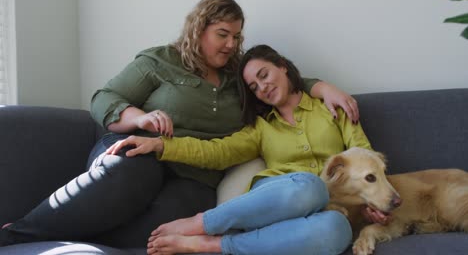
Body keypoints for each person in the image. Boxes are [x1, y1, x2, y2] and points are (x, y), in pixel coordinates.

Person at [0, 0, 360, 248]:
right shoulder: (161, 61)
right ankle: (18, 234)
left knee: (171, 224)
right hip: (142, 150)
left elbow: (276, 85)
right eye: (223, 35)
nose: (230, 45)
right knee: (135, 172)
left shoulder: (239, 75)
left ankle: (78, 239)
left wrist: (320, 86)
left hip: (194, 172)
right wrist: (142, 117)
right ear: (199, 28)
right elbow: (104, 99)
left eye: (236, 37)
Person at [106, 44, 373, 255]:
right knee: (310, 186)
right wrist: (160, 144)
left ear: (283, 67)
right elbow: (217, 152)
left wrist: (373, 199)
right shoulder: (260, 128)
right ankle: (202, 223)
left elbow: (365, 157)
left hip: (327, 212)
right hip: (279, 202)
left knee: (337, 231)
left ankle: (212, 245)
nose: (262, 88)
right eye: (254, 87)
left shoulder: (332, 107)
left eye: (264, 75)